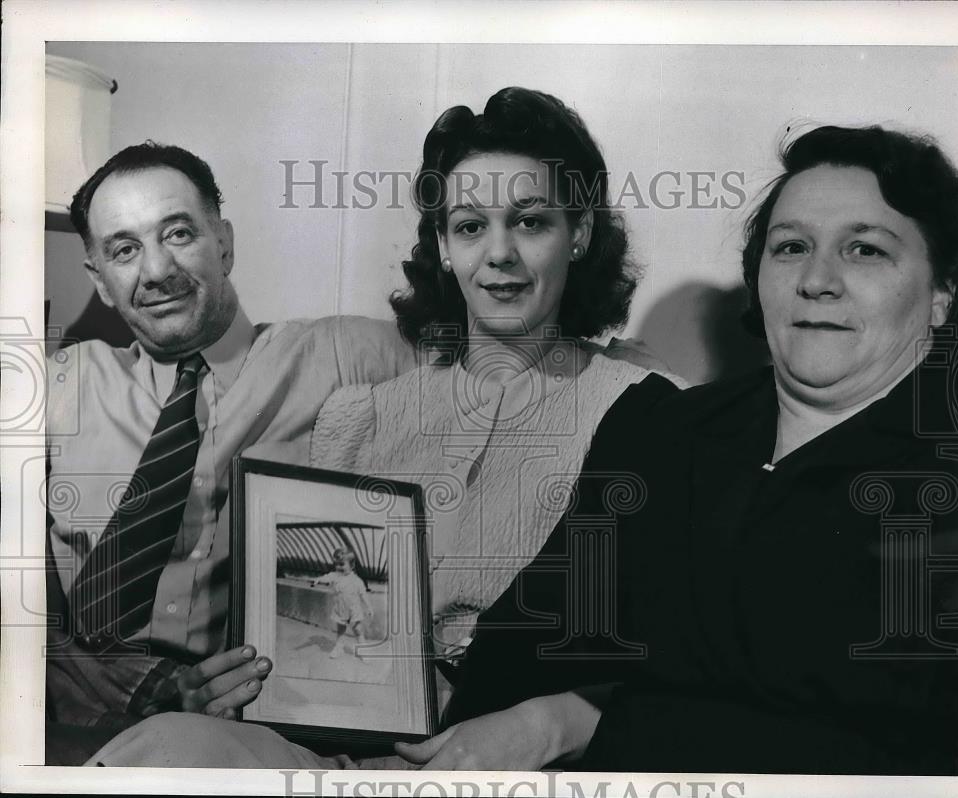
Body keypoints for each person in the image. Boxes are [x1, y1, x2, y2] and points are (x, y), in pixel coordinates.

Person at [84, 86, 681, 768]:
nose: (499, 254)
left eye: (531, 221)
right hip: (351, 754)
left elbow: (684, 652)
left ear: (578, 234)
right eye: (469, 226)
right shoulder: (362, 415)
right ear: (442, 245)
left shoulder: (644, 409)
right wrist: (246, 678)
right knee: (167, 748)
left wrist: (549, 724)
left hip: (534, 761)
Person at [442, 124, 958, 774]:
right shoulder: (660, 429)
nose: (817, 279)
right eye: (791, 246)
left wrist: (574, 717)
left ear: (943, 292)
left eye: (864, 249)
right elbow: (525, 643)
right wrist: (537, 719)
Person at [45, 142, 417, 765]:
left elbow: (513, 361)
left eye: (179, 233)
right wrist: (105, 673)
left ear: (225, 244)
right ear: (100, 282)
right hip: (73, 723)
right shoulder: (60, 385)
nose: (157, 269)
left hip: (243, 737)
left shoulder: (340, 355)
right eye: (125, 249)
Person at [312, 550, 372, 659]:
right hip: (340, 609)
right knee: (341, 630)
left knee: (358, 630)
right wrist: (318, 580)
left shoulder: (356, 580)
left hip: (354, 609)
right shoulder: (334, 576)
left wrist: (369, 607)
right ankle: (339, 647)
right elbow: (326, 577)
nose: (338, 567)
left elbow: (363, 594)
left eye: (342, 564)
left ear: (352, 565)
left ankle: (363, 650)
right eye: (336, 564)